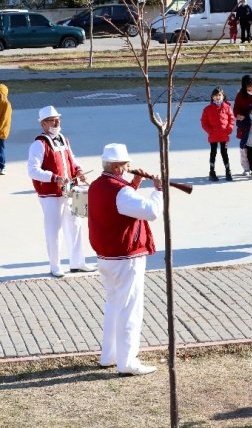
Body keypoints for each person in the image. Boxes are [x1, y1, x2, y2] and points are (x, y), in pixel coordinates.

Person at [88, 143, 162, 375]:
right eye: (126, 164)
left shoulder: (97, 185)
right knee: (130, 308)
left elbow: (119, 206)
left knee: (113, 305)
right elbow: (150, 211)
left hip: (107, 257)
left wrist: (135, 183)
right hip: (125, 258)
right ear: (118, 167)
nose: (129, 167)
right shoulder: (121, 191)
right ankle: (128, 361)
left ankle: (109, 355)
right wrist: (158, 190)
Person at [27, 106, 96, 277]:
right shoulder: (39, 144)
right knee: (54, 229)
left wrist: (78, 171)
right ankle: (55, 265)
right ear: (43, 124)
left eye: (58, 119)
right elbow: (32, 170)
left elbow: (72, 159)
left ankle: (77, 262)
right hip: (51, 194)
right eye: (52, 120)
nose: (57, 122)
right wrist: (54, 177)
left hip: (70, 190)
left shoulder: (63, 139)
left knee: (76, 226)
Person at [200, 87, 235, 182]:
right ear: (212, 97)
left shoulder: (227, 107)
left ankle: (228, 171)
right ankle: (212, 171)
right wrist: (210, 131)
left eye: (219, 95)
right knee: (213, 153)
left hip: (224, 134)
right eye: (216, 95)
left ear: (223, 96)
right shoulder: (207, 109)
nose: (218, 97)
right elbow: (204, 122)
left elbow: (231, 119)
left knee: (224, 153)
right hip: (213, 135)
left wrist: (229, 129)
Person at [0, 83, 11, 175]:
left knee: (0, 150)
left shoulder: (6, 105)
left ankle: (2, 166)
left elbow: (5, 120)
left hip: (1, 132)